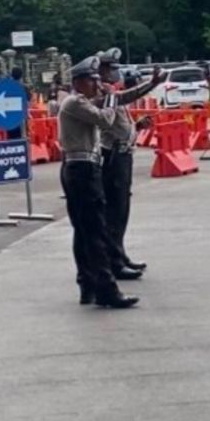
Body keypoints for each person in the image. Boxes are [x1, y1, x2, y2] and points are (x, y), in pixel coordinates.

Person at [58, 56, 137, 309]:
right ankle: (106, 287)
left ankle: (88, 284)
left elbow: (115, 103)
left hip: (83, 167)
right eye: (93, 80)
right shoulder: (74, 102)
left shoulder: (80, 102)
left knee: (85, 231)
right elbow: (105, 119)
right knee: (95, 230)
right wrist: (112, 96)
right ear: (80, 82)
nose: (98, 84)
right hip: (82, 169)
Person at [97, 48, 165, 279]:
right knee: (115, 210)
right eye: (111, 69)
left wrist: (136, 126)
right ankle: (114, 262)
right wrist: (152, 83)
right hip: (113, 157)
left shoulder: (112, 93)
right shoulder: (104, 94)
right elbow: (125, 102)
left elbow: (120, 124)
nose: (115, 74)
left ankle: (120, 255)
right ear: (102, 71)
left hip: (123, 154)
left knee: (122, 209)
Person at [6, 67, 30, 140]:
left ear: (11, 75)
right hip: (22, 117)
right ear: (21, 76)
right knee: (23, 137)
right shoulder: (24, 87)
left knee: (11, 138)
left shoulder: (6, 87)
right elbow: (28, 102)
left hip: (10, 117)